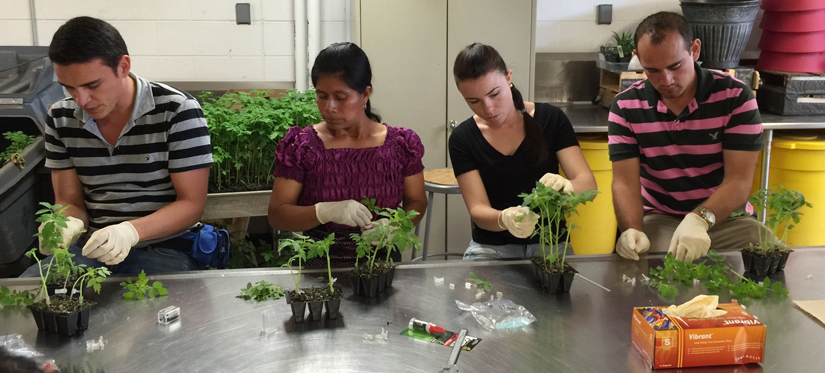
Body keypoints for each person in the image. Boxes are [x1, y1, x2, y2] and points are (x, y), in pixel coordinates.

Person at [21, 17, 212, 276]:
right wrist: (65, 222)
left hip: (165, 247)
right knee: (31, 297)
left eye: (92, 85)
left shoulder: (176, 110)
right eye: (69, 88)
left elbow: (191, 204)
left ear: (123, 66)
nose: (82, 100)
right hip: (92, 247)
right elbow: (69, 200)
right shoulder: (61, 118)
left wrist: (130, 231)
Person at [609, 12, 765, 263]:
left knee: (773, 265)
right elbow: (625, 183)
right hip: (661, 217)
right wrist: (632, 229)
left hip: (728, 218)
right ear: (637, 59)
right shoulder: (626, 107)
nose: (666, 80)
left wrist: (699, 218)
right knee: (662, 278)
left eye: (675, 66)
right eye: (652, 70)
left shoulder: (735, 98)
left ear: (694, 50)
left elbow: (739, 181)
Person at [268, 42, 427, 265]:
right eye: (322, 96)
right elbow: (278, 215)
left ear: (365, 94)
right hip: (319, 268)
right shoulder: (302, 146)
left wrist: (397, 225)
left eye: (341, 97)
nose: (330, 107)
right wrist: (324, 212)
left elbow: (417, 201)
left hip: (380, 265)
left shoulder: (401, 145)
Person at [449, 43, 597, 260]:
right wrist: (504, 219)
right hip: (491, 249)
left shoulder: (551, 119)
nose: (488, 108)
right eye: (474, 101)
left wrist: (569, 187)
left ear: (508, 78)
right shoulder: (463, 138)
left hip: (551, 246)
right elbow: (478, 209)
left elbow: (589, 186)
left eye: (494, 94)